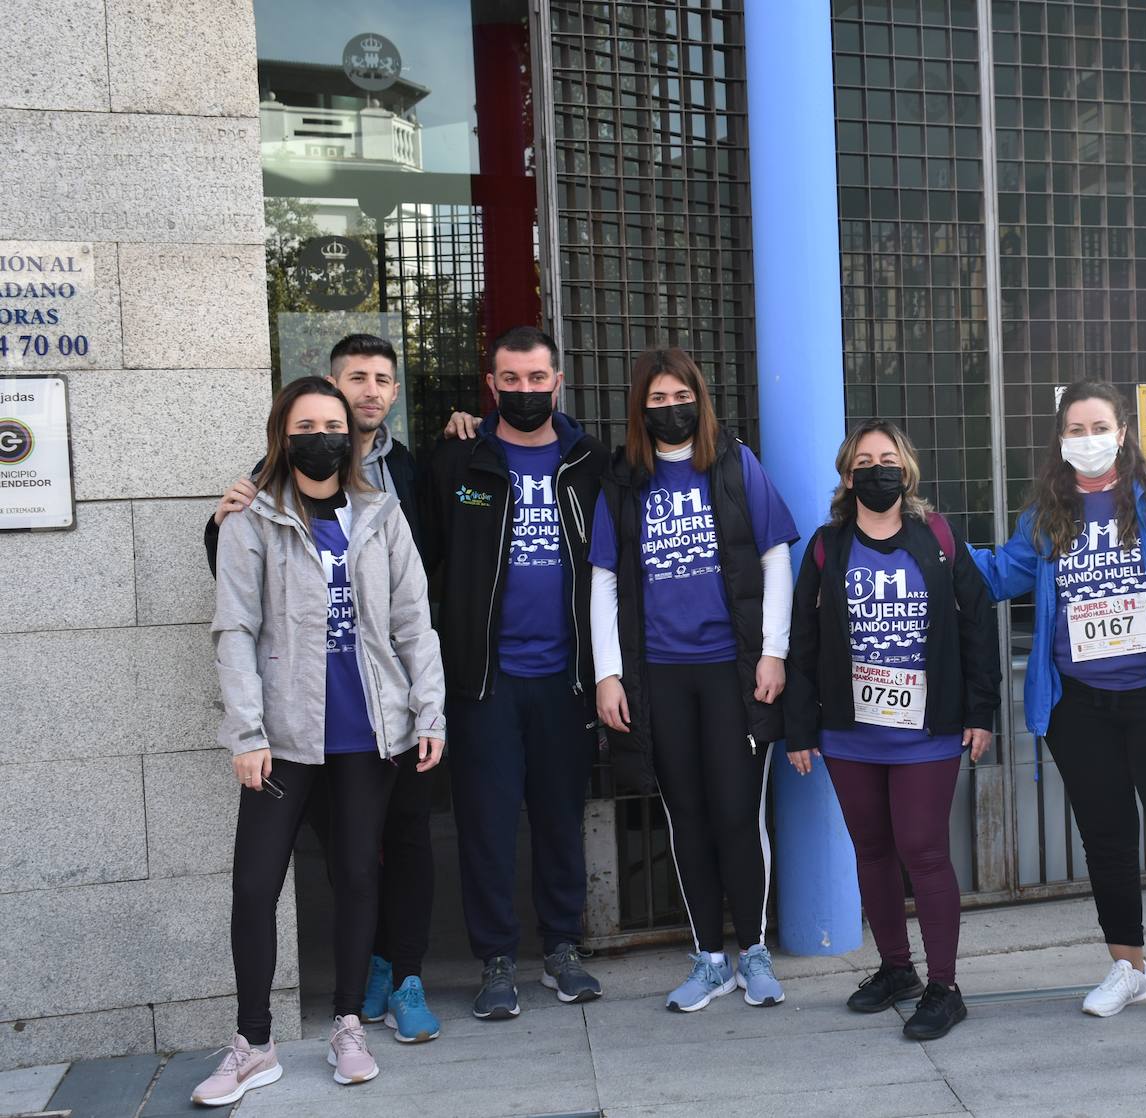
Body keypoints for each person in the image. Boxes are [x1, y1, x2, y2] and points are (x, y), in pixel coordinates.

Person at [194, 377, 444, 1106]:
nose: (322, 435)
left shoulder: (381, 512)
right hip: (283, 736)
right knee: (254, 887)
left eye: (333, 424)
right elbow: (233, 631)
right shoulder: (253, 519)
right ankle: (254, 1043)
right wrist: (245, 732)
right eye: (306, 424)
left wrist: (428, 715)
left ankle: (346, 1026)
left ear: (353, 434)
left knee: (359, 875)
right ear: (284, 433)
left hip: (368, 733)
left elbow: (412, 623)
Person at [968, 380, 1146, 1027]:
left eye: (1099, 427)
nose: (1087, 440)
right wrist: (930, 548)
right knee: (1107, 839)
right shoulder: (1043, 517)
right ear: (1061, 440)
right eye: (1075, 429)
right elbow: (998, 575)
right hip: (1078, 706)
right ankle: (1128, 966)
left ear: (1123, 432)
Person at [589, 347, 799, 1012]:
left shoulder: (735, 464)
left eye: (680, 395)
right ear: (640, 409)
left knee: (739, 815)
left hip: (731, 673)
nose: (670, 408)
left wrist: (774, 652)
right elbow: (601, 581)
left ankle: (755, 954)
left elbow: (775, 559)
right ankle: (710, 958)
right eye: (656, 399)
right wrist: (607, 674)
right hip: (659, 677)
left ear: (699, 398)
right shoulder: (624, 478)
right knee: (686, 818)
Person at [784, 420, 1000, 1041]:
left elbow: (978, 623)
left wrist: (979, 711)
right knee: (872, 850)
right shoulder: (827, 547)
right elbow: (804, 641)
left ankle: (945, 986)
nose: (876, 470)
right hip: (850, 732)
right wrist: (801, 729)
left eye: (888, 458)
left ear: (906, 470)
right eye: (863, 461)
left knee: (923, 849)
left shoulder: (936, 537)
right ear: (847, 476)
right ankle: (896, 969)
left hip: (927, 730)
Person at [426, 325, 610, 1019]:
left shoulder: (589, 462)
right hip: (484, 683)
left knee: (561, 819)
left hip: (566, 680)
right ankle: (497, 959)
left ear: (557, 383)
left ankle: (562, 949)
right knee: (487, 825)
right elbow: (419, 561)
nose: (525, 391)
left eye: (538, 379)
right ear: (492, 385)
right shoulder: (459, 463)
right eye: (512, 380)